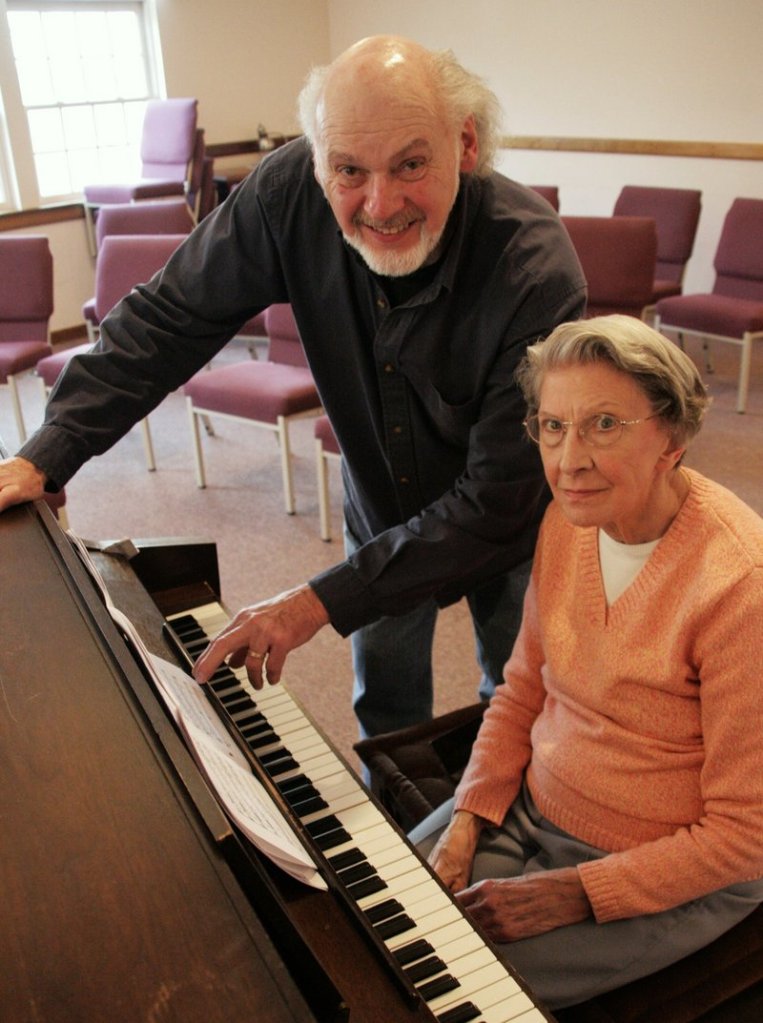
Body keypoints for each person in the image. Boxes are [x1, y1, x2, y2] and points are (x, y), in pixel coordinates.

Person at [0, 35, 585, 740]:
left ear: (463, 143)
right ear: (315, 160)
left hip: (510, 520)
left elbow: (494, 503)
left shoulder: (533, 268)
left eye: (410, 163)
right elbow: (169, 316)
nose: (380, 202)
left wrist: (314, 602)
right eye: (347, 170)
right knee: (386, 697)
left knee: (516, 696)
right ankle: (392, 822)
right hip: (381, 496)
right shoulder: (287, 194)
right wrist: (47, 452)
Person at [410, 314, 763, 1010]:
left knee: (438, 991)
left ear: (671, 437)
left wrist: (576, 894)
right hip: (533, 803)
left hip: (667, 864)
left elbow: (746, 834)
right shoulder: (568, 521)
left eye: (602, 424)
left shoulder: (739, 585)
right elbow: (519, 691)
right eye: (550, 425)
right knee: (378, 906)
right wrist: (470, 814)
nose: (567, 459)